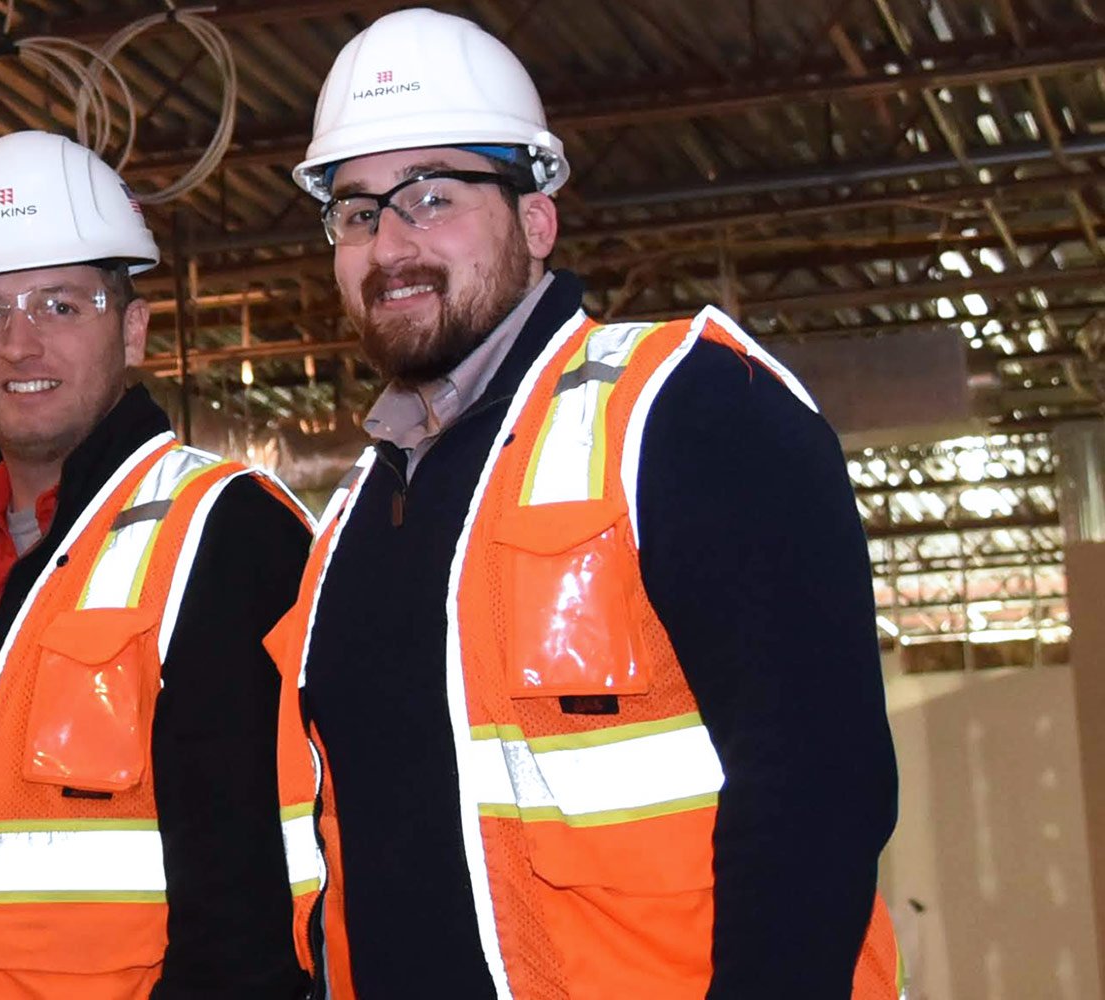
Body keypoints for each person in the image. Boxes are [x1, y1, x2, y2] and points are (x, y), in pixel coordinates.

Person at [267, 9, 900, 999]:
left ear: (536, 219)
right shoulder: (351, 526)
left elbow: (819, 791)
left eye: (431, 195)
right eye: (356, 211)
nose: (390, 241)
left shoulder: (685, 408)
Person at [0, 130, 315, 1000]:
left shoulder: (228, 535)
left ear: (131, 328)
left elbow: (257, 900)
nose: (21, 344)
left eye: (60, 305)